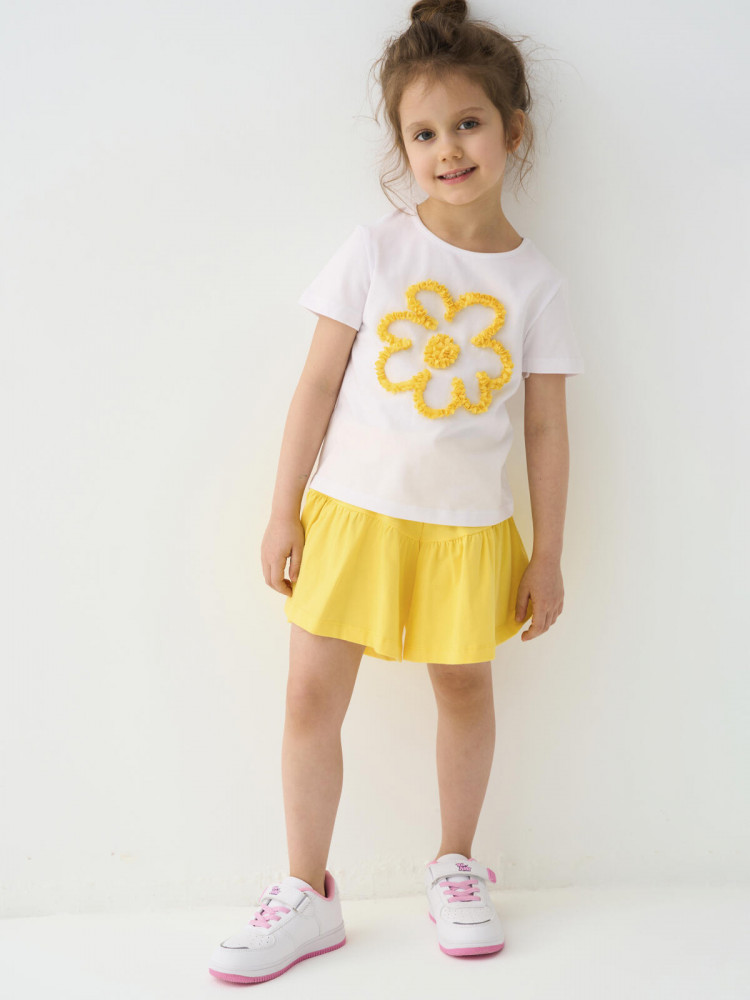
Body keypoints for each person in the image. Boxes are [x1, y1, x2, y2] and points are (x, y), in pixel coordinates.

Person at [208, 0, 584, 984]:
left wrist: (547, 552)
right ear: (402, 148)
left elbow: (547, 429)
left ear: (513, 132)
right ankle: (306, 890)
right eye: (423, 134)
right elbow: (316, 385)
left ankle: (456, 863)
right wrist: (283, 509)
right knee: (308, 695)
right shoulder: (375, 250)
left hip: (468, 531)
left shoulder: (537, 284)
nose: (447, 149)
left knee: (463, 686)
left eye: (468, 124)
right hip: (350, 515)